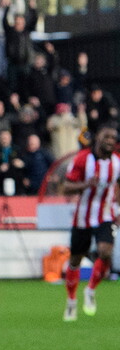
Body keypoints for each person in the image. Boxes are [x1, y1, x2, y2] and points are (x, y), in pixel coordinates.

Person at [59, 126, 120, 321]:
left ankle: (91, 290)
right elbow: (65, 187)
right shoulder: (82, 159)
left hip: (105, 215)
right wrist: (86, 184)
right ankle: (71, 301)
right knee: (75, 260)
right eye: (107, 136)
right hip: (82, 217)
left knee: (105, 252)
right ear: (98, 138)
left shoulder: (117, 162)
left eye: (114, 137)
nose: (111, 140)